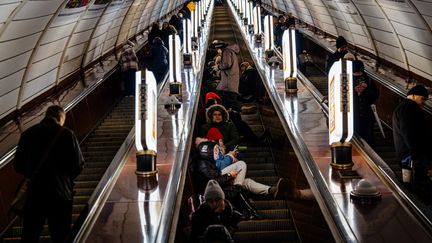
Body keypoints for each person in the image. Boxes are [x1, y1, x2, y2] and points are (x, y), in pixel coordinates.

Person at [14, 105, 84, 243]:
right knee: (61, 236)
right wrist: (64, 178)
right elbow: (78, 165)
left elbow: (17, 165)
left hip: (34, 194)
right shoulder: (66, 134)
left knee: (30, 236)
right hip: (60, 195)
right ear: (60, 118)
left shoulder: (28, 134)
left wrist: (31, 173)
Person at [392, 85, 432, 197]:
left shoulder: (402, 108)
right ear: (413, 95)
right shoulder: (409, 108)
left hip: (407, 155)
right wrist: (416, 155)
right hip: (412, 156)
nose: (423, 102)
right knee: (417, 186)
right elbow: (409, 133)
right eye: (422, 98)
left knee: (410, 183)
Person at [352, 60, 379, 146]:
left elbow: (375, 95)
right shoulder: (346, 80)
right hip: (352, 114)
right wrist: (353, 91)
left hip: (367, 114)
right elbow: (341, 94)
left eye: (359, 73)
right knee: (355, 135)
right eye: (355, 73)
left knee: (368, 136)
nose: (357, 75)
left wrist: (366, 90)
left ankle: (370, 153)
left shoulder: (369, 81)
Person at [214, 40, 242, 112]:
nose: (218, 50)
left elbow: (227, 64)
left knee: (230, 100)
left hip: (228, 82)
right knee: (230, 100)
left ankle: (239, 110)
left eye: (218, 48)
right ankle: (233, 112)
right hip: (230, 81)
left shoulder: (226, 52)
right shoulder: (231, 51)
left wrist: (219, 66)